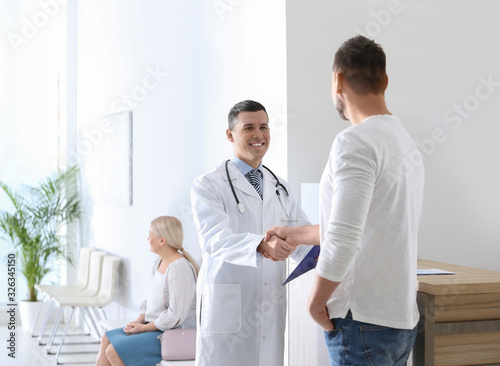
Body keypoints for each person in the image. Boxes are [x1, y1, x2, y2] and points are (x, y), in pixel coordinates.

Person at [266, 35, 425, 365]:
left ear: (338, 81)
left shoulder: (354, 142)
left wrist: (315, 301)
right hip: (400, 320)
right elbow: (366, 223)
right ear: (384, 80)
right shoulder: (405, 142)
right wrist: (296, 235)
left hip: (360, 319)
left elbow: (343, 238)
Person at [190, 100, 312, 366]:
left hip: (269, 305)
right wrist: (260, 246)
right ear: (230, 134)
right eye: (249, 128)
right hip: (227, 304)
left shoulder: (280, 187)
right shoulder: (209, 184)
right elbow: (214, 240)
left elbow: (302, 237)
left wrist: (336, 248)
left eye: (264, 127)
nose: (259, 135)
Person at [96, 216, 198, 366]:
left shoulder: (179, 267)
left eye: (150, 234)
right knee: (107, 338)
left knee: (113, 351)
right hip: (153, 328)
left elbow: (176, 315)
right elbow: (149, 302)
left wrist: (143, 328)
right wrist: (138, 321)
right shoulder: (159, 262)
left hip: (171, 334)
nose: (147, 238)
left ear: (162, 240)